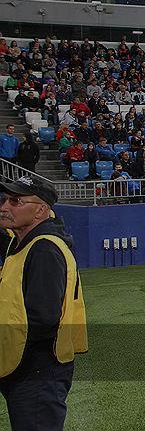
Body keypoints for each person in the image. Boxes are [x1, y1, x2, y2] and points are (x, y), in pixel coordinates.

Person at [0, 174, 87, 431]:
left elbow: (43, 318)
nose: (4, 207)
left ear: (40, 210)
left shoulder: (44, 248)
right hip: (26, 365)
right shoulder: (23, 242)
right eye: (5, 199)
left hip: (36, 368)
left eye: (16, 201)